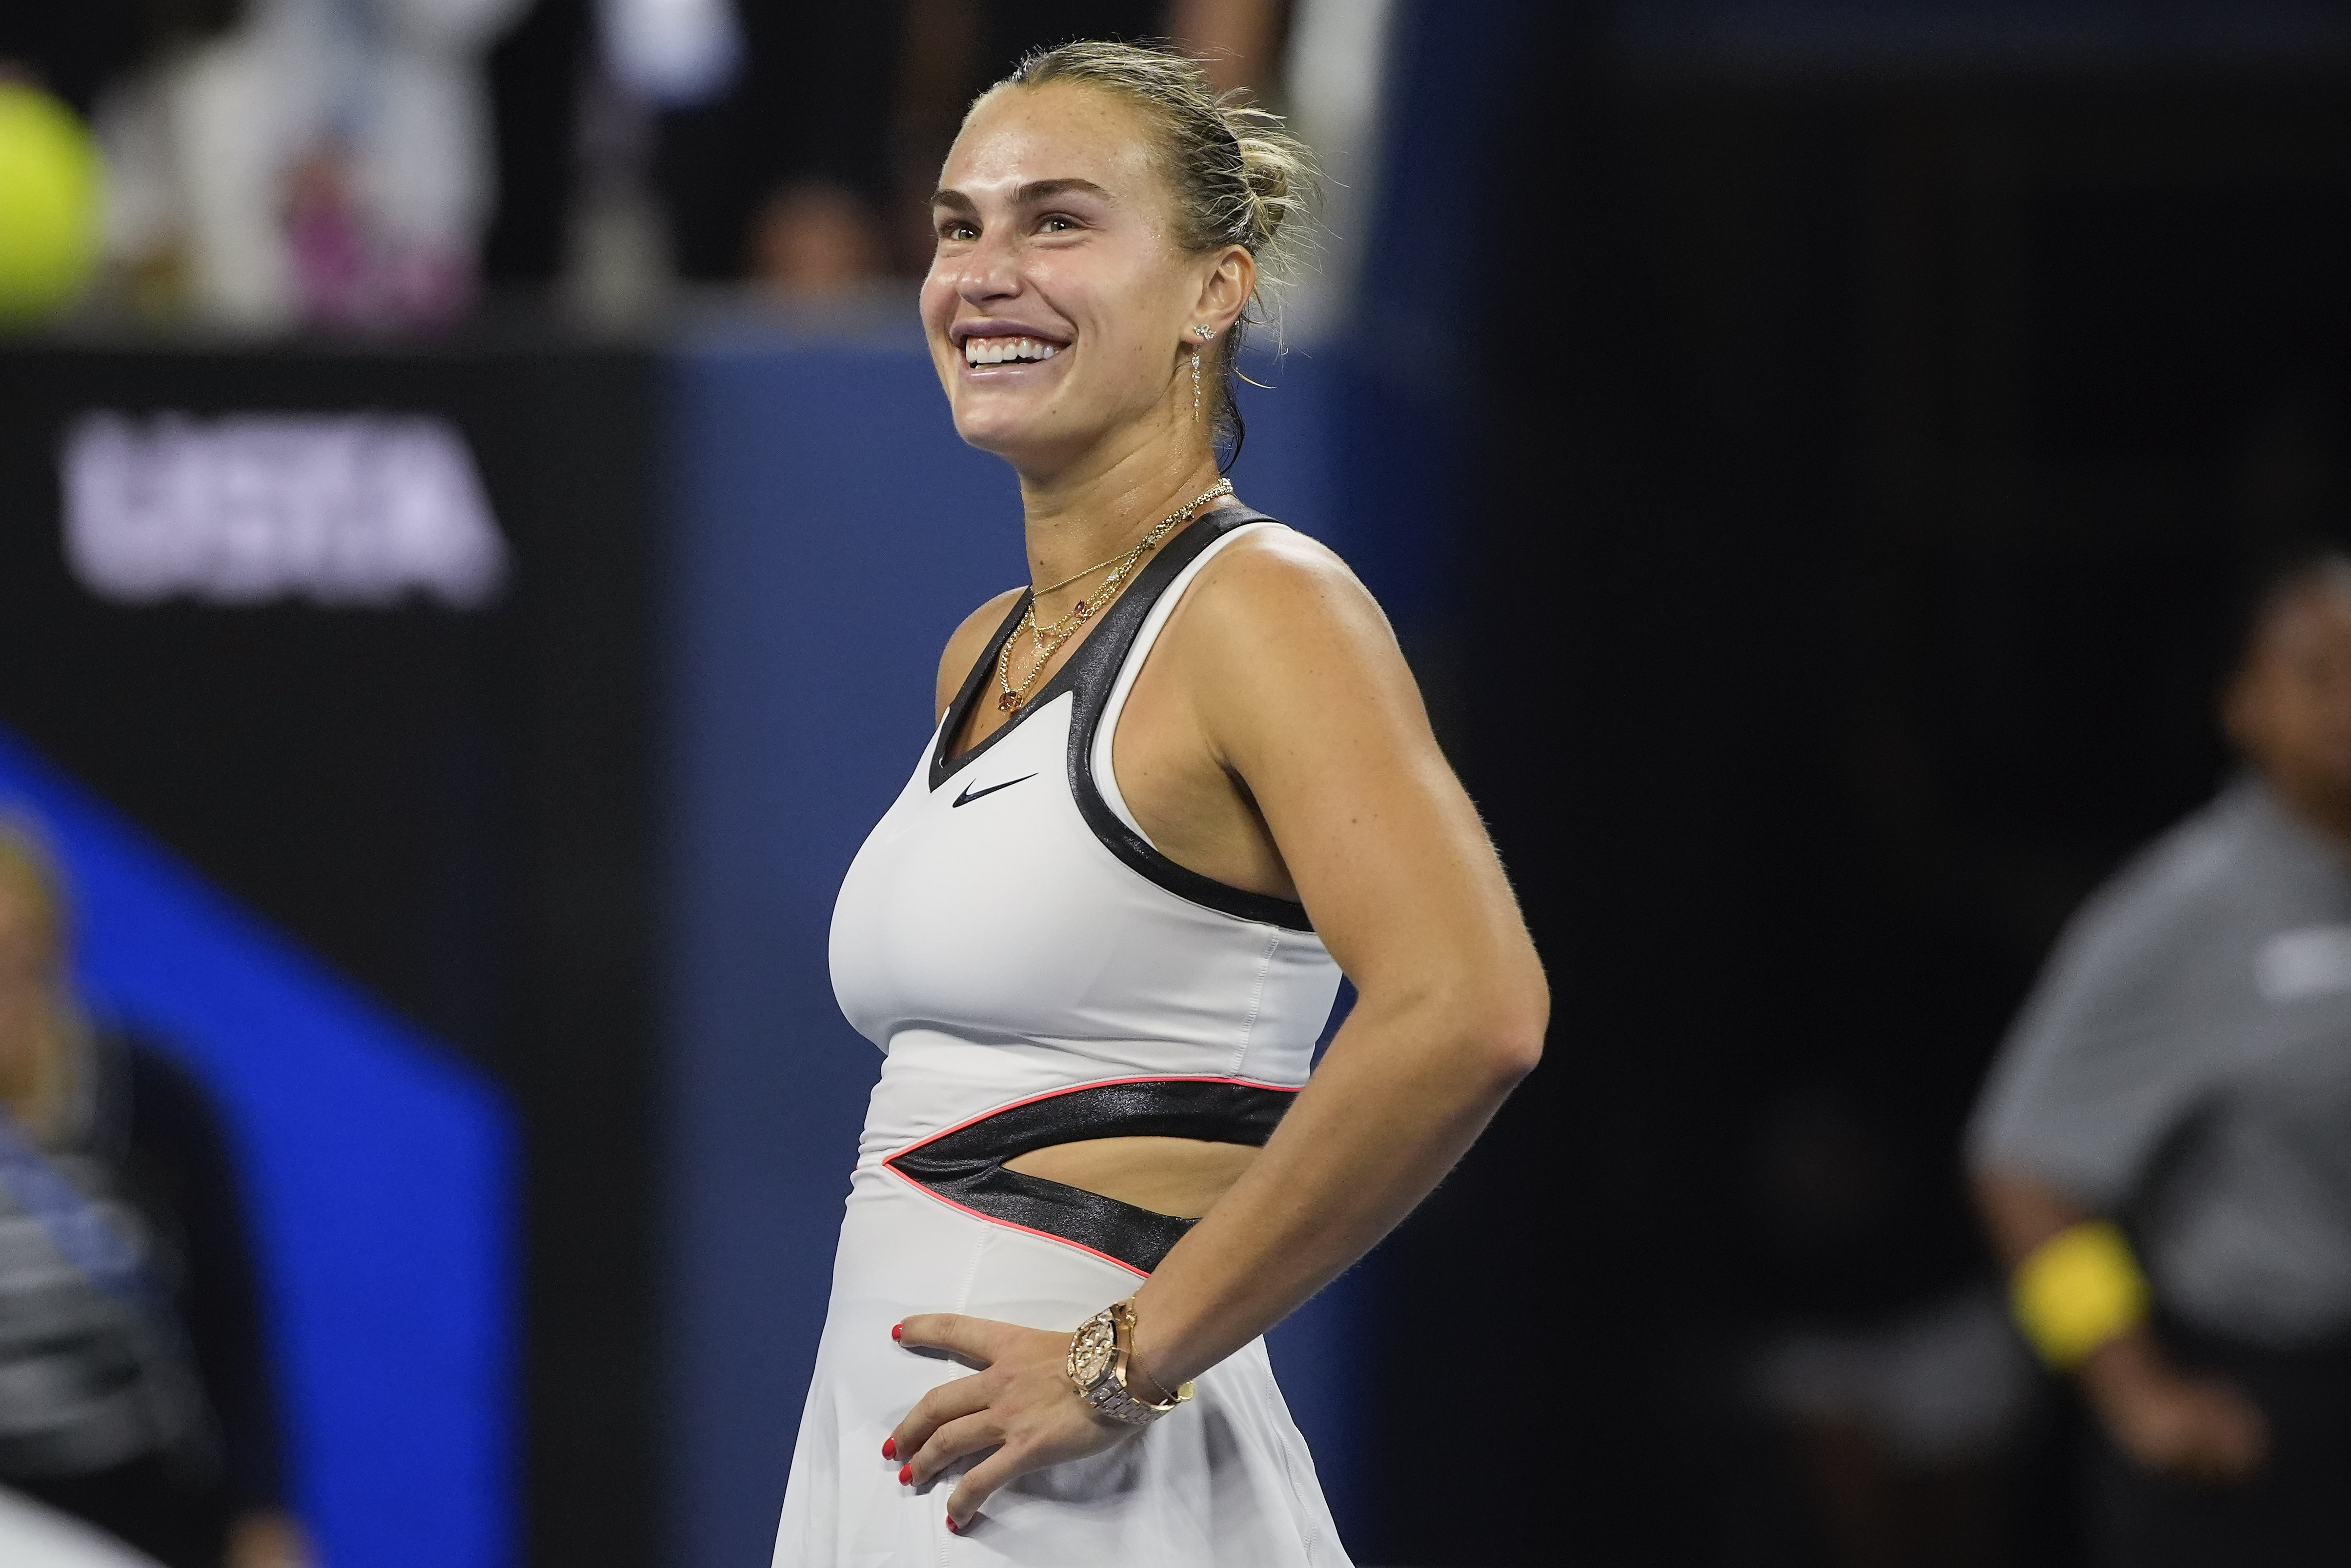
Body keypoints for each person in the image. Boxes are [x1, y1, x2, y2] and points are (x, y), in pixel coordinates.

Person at [771, 40, 1548, 1564]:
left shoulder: (1267, 606)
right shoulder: (982, 649)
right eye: (957, 224)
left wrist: (1119, 1357)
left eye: (1058, 220)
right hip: (915, 1454)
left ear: (1215, 288)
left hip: (1092, 1483)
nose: (985, 271)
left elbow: (1469, 1008)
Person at [1968, 545, 2351, 1566]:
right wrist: (2129, 1386)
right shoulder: (2182, 911)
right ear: (2245, 704)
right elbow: (2022, 1165)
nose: (2348, 701)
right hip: (2262, 1424)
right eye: (2317, 669)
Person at [0, 822, 306, 1568]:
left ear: (58, 954)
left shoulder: (158, 1103)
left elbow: (233, 1328)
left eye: (19, 961)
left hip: (149, 1512)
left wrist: (263, 1514)